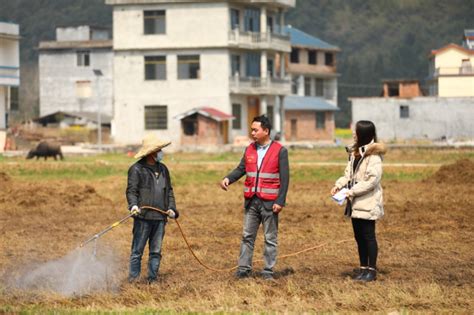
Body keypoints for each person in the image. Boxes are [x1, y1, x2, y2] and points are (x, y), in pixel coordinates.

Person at [220, 115, 289, 280]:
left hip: (270, 202)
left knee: (270, 238)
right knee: (247, 236)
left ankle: (268, 271)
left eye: (255, 130)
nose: (252, 133)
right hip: (251, 201)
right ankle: (243, 269)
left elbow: (285, 178)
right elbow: (241, 168)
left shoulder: (280, 151)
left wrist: (280, 201)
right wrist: (228, 178)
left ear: (266, 131)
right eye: (251, 129)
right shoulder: (249, 149)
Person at [331, 120, 386, 282]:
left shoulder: (374, 156)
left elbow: (371, 181)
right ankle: (363, 268)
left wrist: (351, 191)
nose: (353, 133)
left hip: (367, 201)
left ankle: (372, 270)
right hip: (354, 202)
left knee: (368, 236)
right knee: (358, 236)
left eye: (355, 131)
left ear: (363, 133)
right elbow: (348, 174)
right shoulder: (354, 153)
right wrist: (338, 185)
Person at [126, 133, 179, 283]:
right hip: (143, 217)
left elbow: (169, 191)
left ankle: (152, 279)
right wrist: (133, 205)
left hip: (160, 218)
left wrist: (172, 208)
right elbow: (131, 190)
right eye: (159, 150)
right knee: (137, 251)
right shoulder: (136, 169)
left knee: (156, 251)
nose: (161, 153)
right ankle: (133, 279)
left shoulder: (163, 169)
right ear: (151, 152)